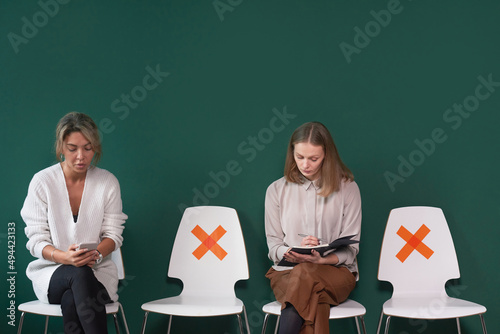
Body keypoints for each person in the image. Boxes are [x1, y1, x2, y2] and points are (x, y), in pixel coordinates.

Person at [21, 112, 127, 333]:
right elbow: (36, 240)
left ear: (95, 148)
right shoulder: (42, 182)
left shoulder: (107, 182)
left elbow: (114, 235)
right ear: (61, 148)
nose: (81, 156)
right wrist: (65, 257)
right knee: (77, 273)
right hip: (51, 274)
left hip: (99, 274)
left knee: (73, 299)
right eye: (73, 148)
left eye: (88, 148)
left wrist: (95, 254)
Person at [264, 121, 361, 334]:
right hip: (286, 273)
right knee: (311, 291)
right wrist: (292, 251)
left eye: (313, 158)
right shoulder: (276, 190)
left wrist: (321, 259)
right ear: (292, 153)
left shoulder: (348, 188)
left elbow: (351, 249)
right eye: (300, 157)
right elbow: (273, 246)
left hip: (335, 274)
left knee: (305, 276)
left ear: (327, 155)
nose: (305, 164)